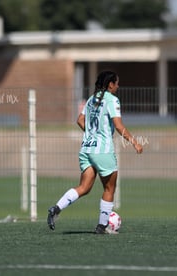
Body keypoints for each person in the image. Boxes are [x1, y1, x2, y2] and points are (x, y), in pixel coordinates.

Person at [47, 70, 143, 234]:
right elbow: (118, 126)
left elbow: (79, 120)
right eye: (117, 83)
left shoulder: (92, 99)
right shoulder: (112, 100)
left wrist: (91, 134)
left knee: (84, 187)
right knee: (109, 188)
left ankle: (56, 208)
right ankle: (102, 226)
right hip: (102, 150)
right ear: (110, 84)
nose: (118, 86)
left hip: (86, 148)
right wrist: (134, 142)